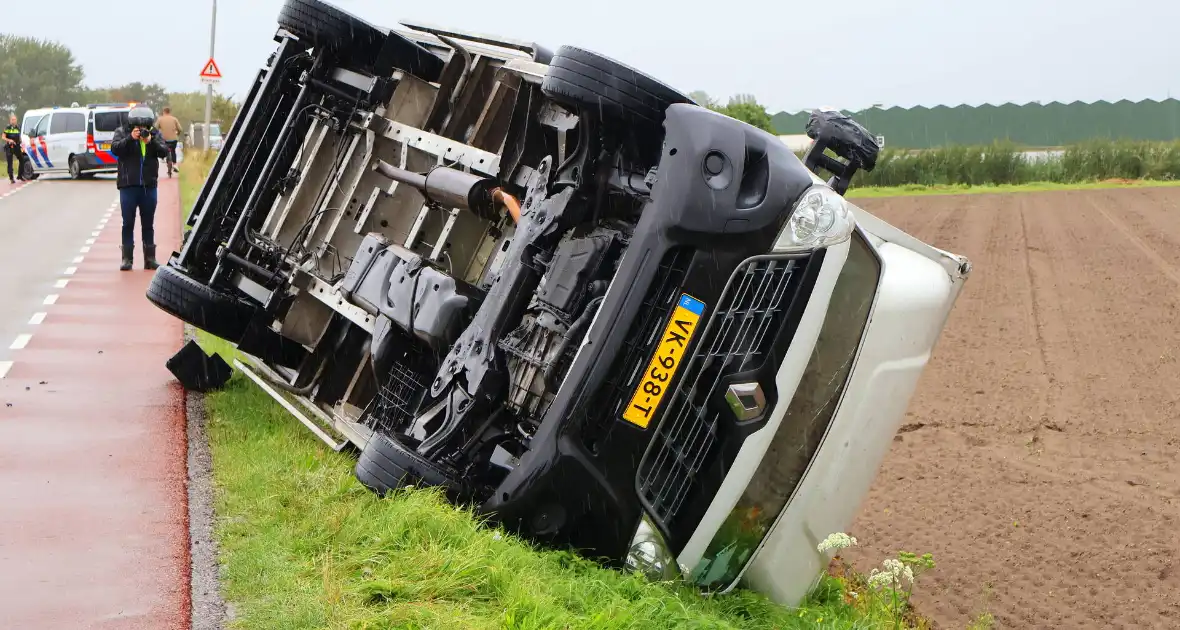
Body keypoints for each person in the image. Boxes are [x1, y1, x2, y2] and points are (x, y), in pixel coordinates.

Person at [111, 106, 169, 271]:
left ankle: (150, 258)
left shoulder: (154, 134)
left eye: (145, 128)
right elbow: (115, 149)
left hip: (148, 185)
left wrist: (150, 142)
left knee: (148, 223)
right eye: (139, 128)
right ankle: (127, 259)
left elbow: (164, 151)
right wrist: (130, 138)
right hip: (128, 185)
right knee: (127, 222)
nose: (142, 130)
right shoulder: (122, 132)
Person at [155, 106, 183, 174]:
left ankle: (163, 158)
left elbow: (155, 128)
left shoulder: (160, 119)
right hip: (174, 139)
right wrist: (177, 133)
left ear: (163, 112)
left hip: (164, 140)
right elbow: (180, 129)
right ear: (169, 112)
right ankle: (175, 164)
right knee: (173, 150)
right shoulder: (174, 119)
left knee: (163, 149)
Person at [4, 114, 21, 184]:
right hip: (9, 147)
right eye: (12, 119)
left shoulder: (18, 128)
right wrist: (9, 140)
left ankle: (20, 175)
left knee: (22, 159)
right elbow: (3, 137)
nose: (13, 121)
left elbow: (19, 137)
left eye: (14, 119)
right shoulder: (7, 127)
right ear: (10, 120)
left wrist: (21, 141)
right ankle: (11, 178)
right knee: (10, 163)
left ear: (16, 120)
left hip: (16, 146)